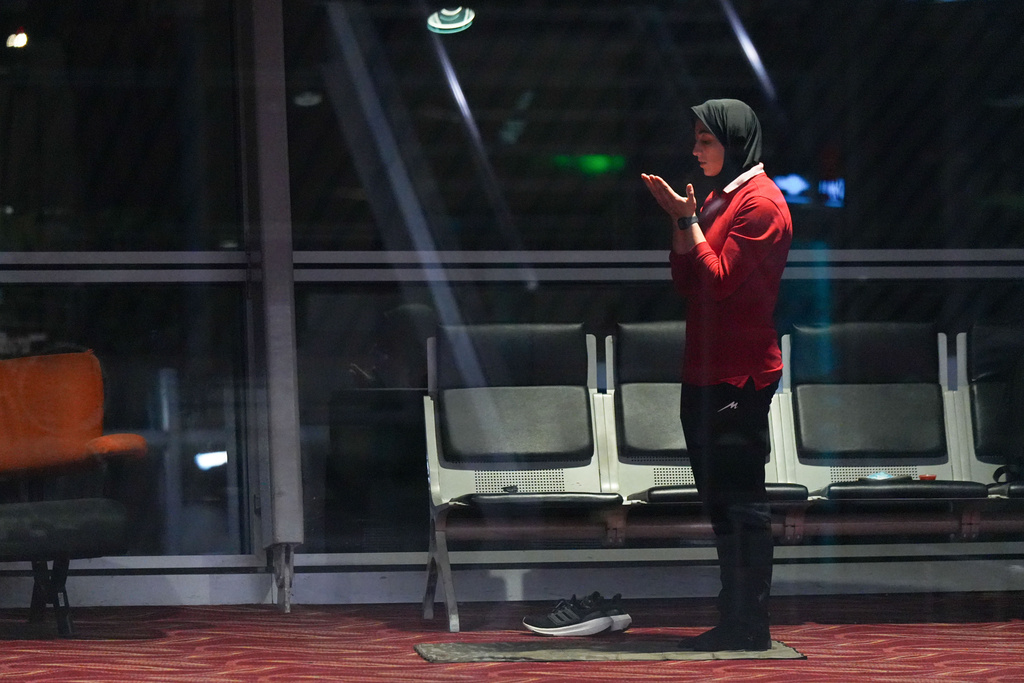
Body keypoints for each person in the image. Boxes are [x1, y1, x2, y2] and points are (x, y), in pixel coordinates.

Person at [641, 98, 792, 651]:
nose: (696, 148)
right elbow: (689, 279)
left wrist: (687, 221)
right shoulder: (721, 197)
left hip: (740, 375)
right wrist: (685, 221)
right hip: (705, 368)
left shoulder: (763, 203)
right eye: (696, 139)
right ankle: (735, 619)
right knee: (720, 503)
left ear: (734, 142)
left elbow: (722, 278)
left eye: (706, 140)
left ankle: (750, 624)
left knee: (742, 503)